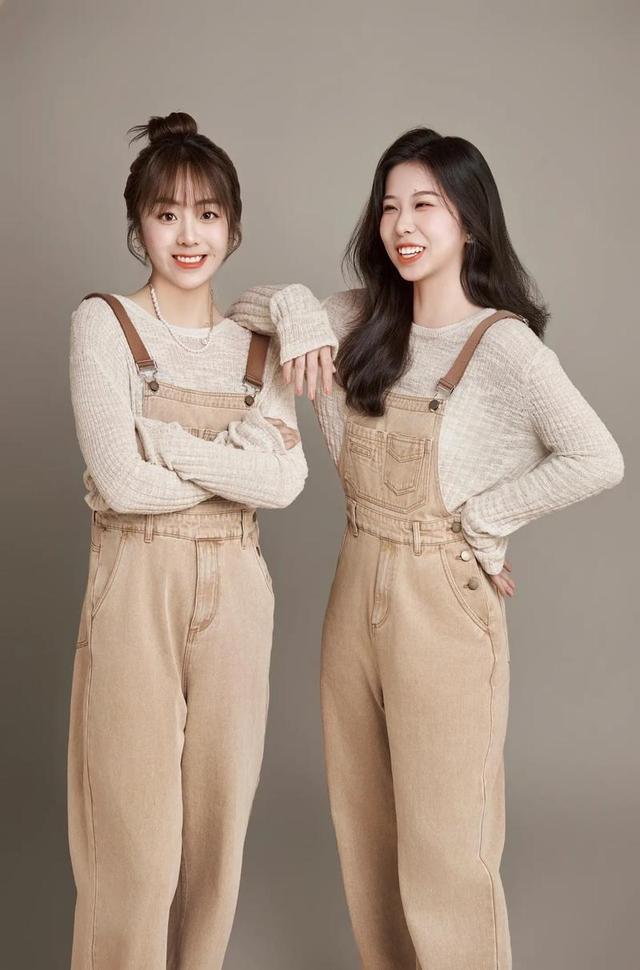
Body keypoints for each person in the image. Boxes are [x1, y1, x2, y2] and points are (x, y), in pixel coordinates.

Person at [230, 126, 625, 970]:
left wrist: (486, 522)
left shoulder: (504, 346)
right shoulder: (356, 319)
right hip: (354, 583)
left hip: (442, 598)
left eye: (426, 206)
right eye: (389, 207)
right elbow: (244, 312)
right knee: (367, 836)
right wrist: (297, 309)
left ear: (469, 223)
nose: (402, 225)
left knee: (447, 851)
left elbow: (600, 457)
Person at [66, 111, 335, 970]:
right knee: (133, 851)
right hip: (136, 586)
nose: (189, 235)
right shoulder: (104, 323)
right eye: (167, 214)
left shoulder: (259, 346)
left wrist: (169, 444)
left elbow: (285, 485)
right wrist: (235, 460)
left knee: (216, 840)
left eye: (209, 214)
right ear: (138, 225)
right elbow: (122, 483)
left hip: (238, 593)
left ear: (234, 226)